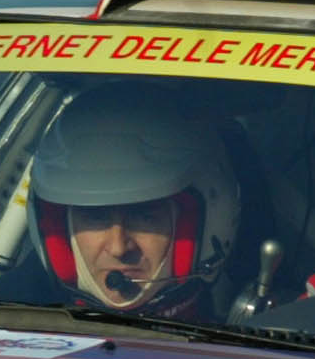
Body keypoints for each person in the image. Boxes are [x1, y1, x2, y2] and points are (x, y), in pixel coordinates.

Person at [28, 90, 244, 318]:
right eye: (95, 218)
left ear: (208, 222)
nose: (119, 248)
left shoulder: (257, 335)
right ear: (58, 228)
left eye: (145, 218)